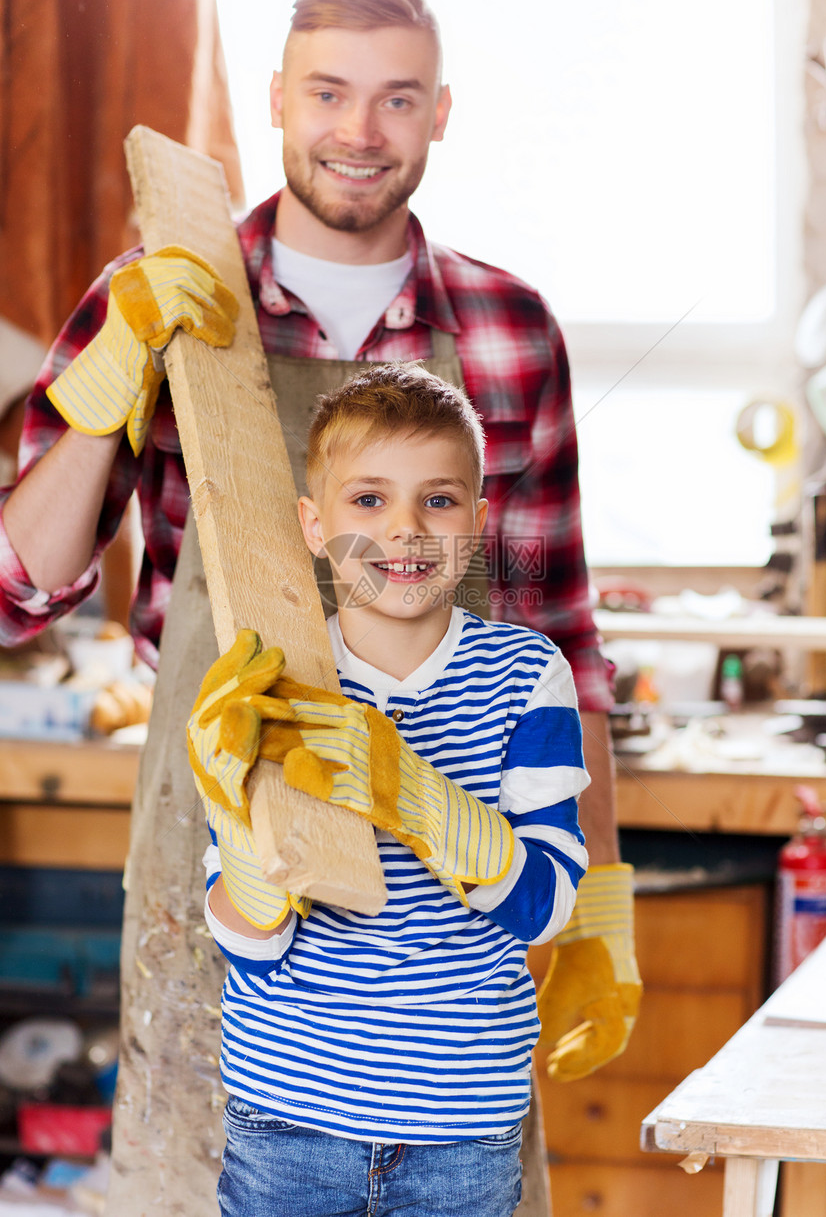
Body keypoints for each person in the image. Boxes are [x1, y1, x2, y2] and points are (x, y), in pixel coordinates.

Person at [0, 0, 638, 1156]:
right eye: (329, 93)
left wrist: (596, 902)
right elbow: (17, 590)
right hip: (228, 882)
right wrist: (107, 386)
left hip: (458, 905)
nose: (359, 131)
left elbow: (561, 643)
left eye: (398, 99)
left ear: (440, 111)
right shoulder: (161, 301)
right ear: (277, 100)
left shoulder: (508, 330)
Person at [186, 362, 591, 1217]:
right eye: (367, 500)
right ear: (314, 524)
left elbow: (548, 907)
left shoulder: (525, 676)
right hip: (285, 1121)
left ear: (479, 523)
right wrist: (234, 815)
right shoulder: (275, 681)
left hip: (463, 1129)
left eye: (438, 501)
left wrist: (420, 799)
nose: (404, 531)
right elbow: (250, 944)